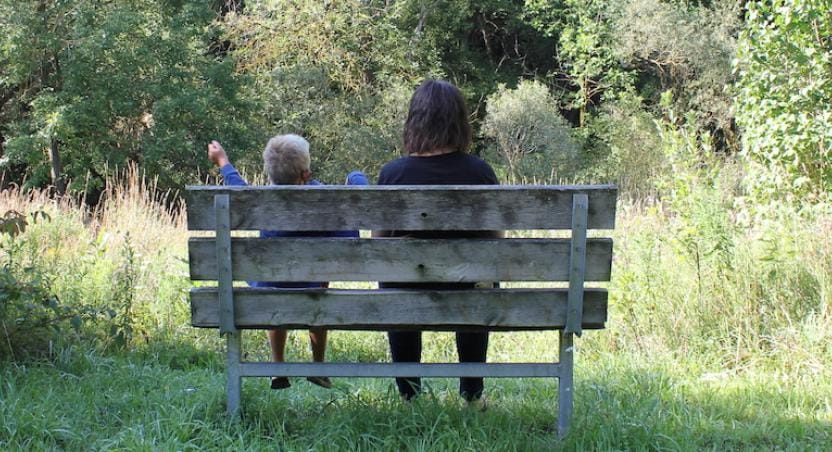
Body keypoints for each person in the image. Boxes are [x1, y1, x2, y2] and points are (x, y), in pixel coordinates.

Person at [375, 79, 500, 410]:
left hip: (406, 292)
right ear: (459, 121)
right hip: (467, 290)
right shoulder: (481, 172)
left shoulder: (392, 174)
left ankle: (409, 395)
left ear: (414, 120)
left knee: (395, 277)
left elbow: (378, 244)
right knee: (480, 277)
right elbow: (496, 243)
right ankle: (472, 395)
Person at [208, 135, 368, 390]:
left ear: (269, 172)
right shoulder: (325, 199)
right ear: (306, 173)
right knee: (320, 280)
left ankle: (278, 366)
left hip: (269, 290)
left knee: (273, 282)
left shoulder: (258, 201)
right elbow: (352, 233)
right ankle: (318, 365)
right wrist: (357, 180)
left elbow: (237, 187)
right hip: (313, 291)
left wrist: (223, 161)